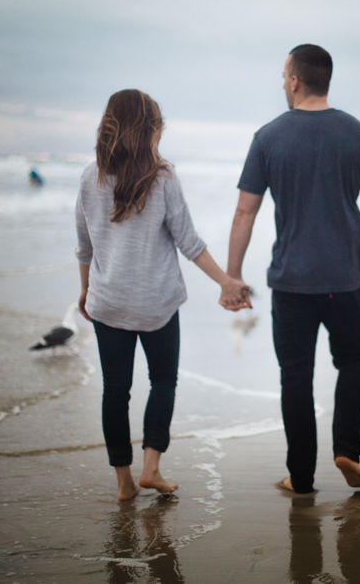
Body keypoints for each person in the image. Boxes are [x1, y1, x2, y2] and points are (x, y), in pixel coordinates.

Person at [227, 44, 360, 495]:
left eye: (284, 75)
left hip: (292, 282)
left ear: (296, 80)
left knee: (296, 376)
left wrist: (232, 276)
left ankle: (301, 477)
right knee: (353, 363)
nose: (282, 82)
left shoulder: (268, 137)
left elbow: (246, 213)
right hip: (347, 279)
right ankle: (347, 452)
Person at [75, 89, 250, 501]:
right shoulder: (163, 176)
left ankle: (123, 482)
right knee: (163, 381)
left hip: (109, 301)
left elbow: (84, 245)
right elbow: (188, 241)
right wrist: (225, 281)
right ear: (150, 128)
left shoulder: (90, 176)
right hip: (156, 302)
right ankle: (151, 467)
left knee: (115, 391)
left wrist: (85, 290)